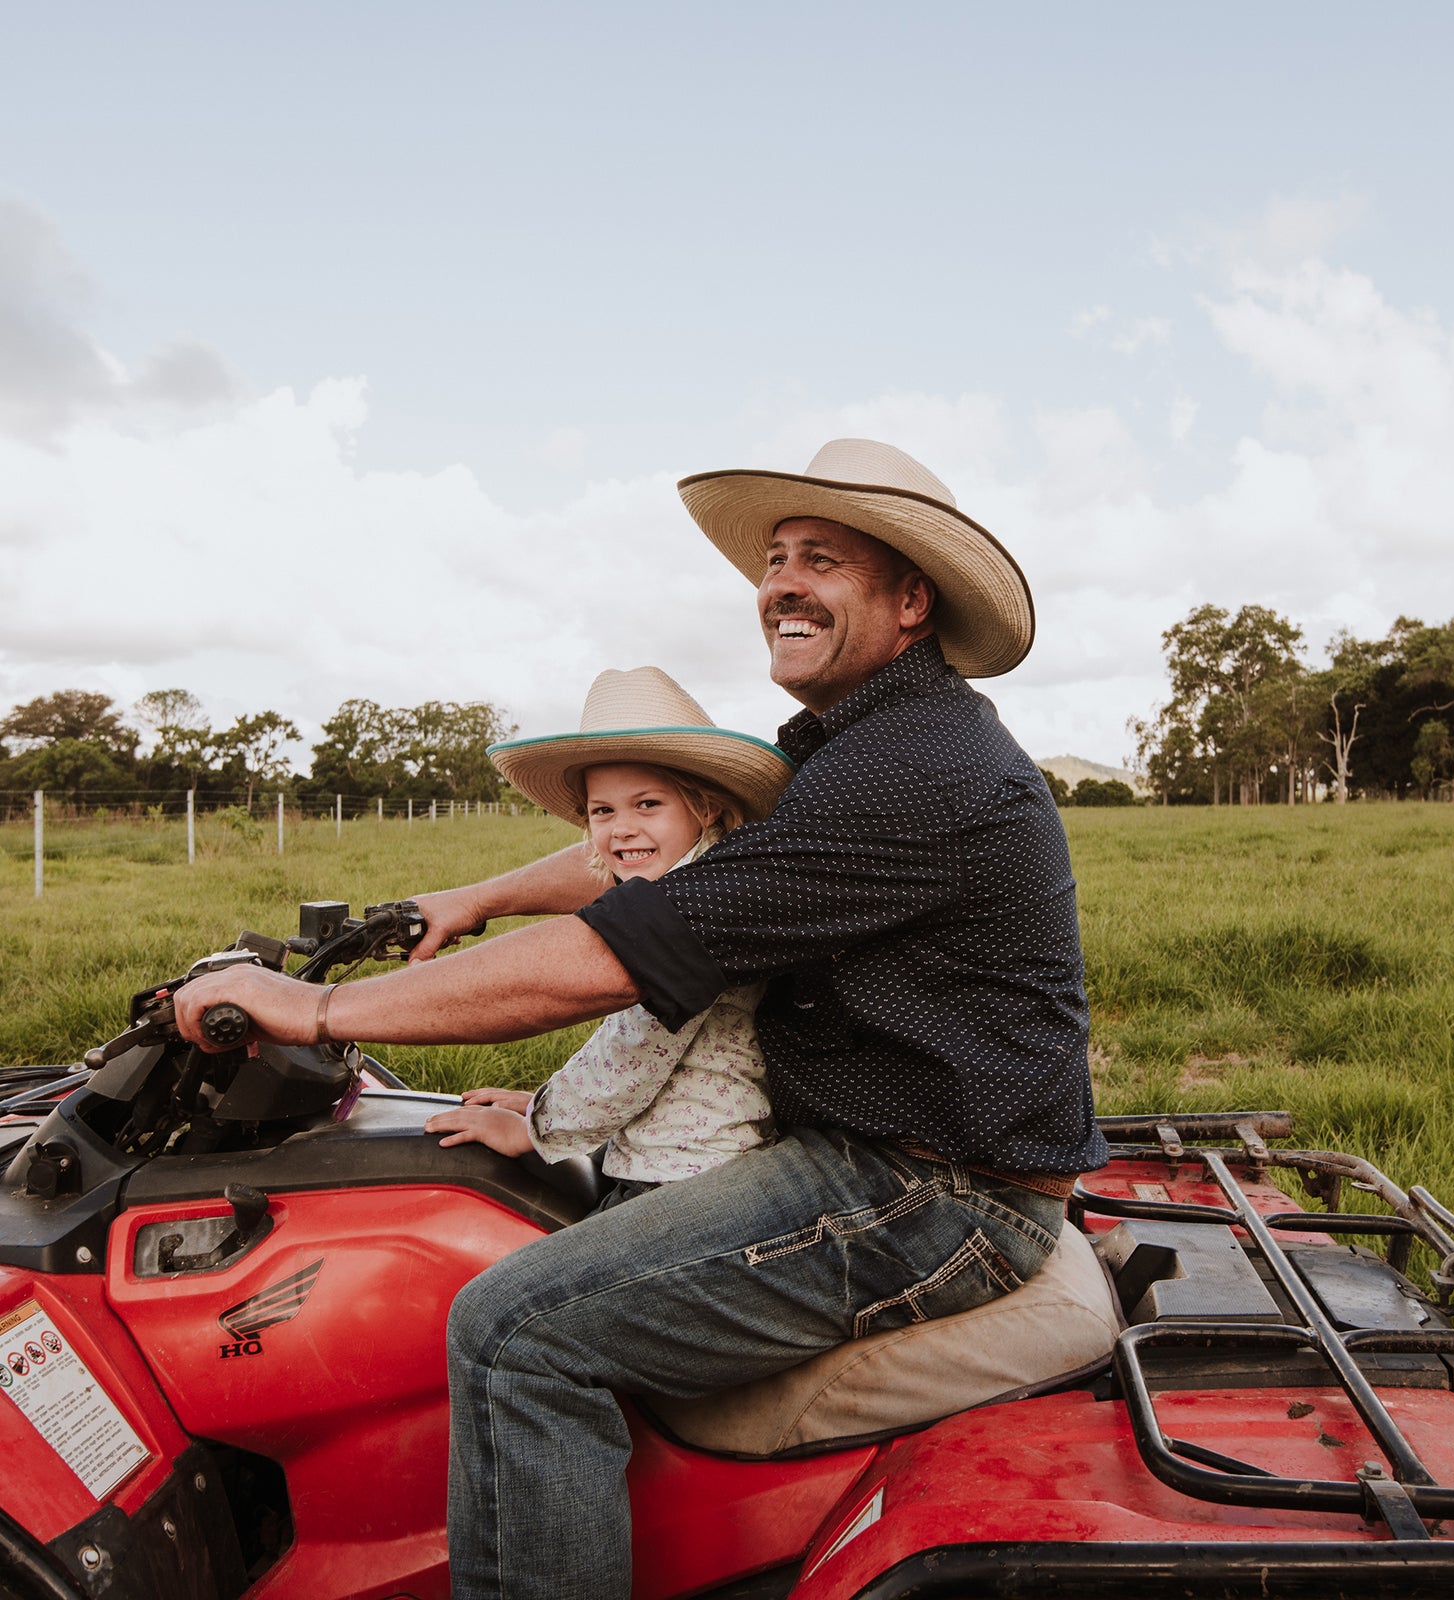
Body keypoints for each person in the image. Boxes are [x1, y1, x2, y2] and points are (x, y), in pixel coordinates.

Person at [174, 437, 1108, 1600]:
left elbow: (628, 946)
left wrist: (316, 1008)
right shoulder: (861, 746)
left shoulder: (911, 771)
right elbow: (681, 853)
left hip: (930, 1193)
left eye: (822, 560)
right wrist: (477, 896)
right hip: (889, 1155)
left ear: (911, 600)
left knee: (515, 1331)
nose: (781, 583)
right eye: (774, 559)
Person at [421, 666, 791, 1206]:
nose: (621, 828)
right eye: (603, 810)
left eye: (648, 804)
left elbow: (631, 1057)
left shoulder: (699, 912)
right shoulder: (688, 884)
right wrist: (542, 1101)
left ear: (705, 805)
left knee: (530, 1265)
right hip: (669, 1146)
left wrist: (532, 1130)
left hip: (684, 1169)